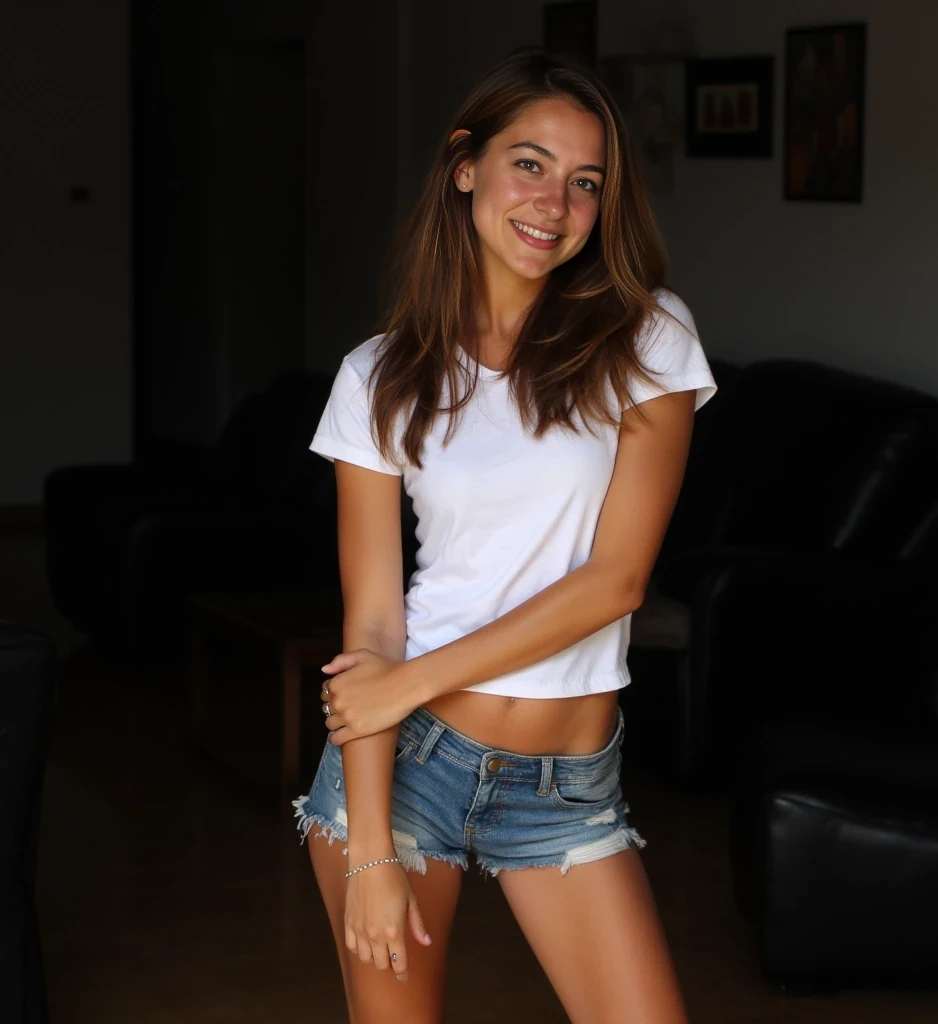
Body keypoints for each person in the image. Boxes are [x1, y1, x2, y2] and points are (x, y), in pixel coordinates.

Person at [292, 48, 717, 1024]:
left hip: (567, 784)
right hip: (406, 767)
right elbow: (372, 619)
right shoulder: (379, 374)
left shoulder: (648, 339)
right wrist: (367, 851)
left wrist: (402, 680)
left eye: (585, 182)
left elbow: (616, 581)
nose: (554, 203)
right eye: (529, 164)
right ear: (465, 164)